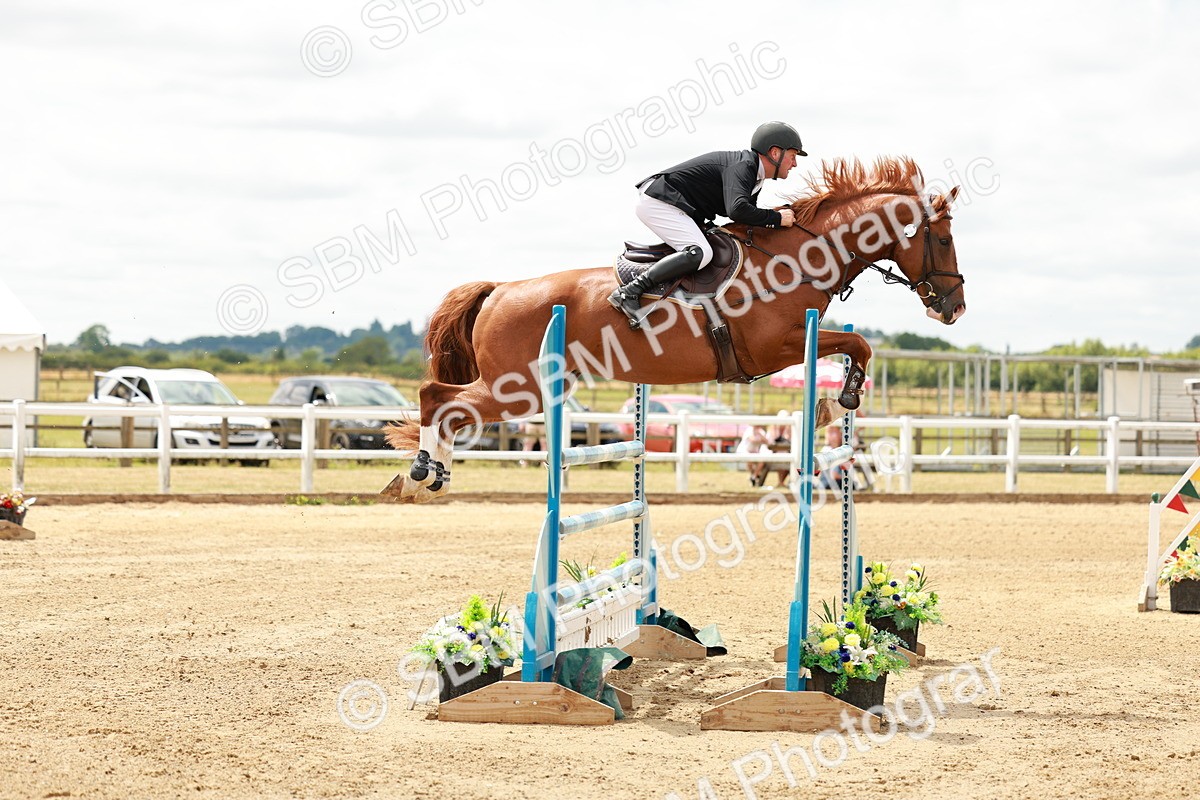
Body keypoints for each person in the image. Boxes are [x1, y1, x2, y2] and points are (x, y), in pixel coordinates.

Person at [608, 121, 808, 329]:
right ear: (775, 153)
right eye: (793, 156)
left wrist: (776, 220)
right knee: (700, 252)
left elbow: (746, 217)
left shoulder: (755, 177)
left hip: (674, 204)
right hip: (659, 201)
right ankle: (630, 292)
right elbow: (737, 210)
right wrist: (776, 219)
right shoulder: (744, 167)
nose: (794, 164)